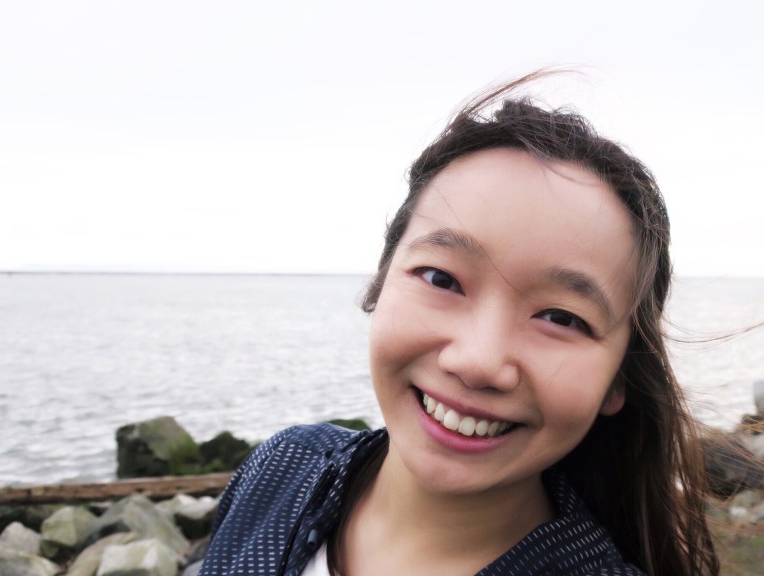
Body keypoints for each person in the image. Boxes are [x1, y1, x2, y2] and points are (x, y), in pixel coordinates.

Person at [199, 71, 720, 576]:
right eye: (441, 279)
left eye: (561, 318)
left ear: (619, 376)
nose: (478, 362)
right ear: (380, 282)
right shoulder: (282, 469)